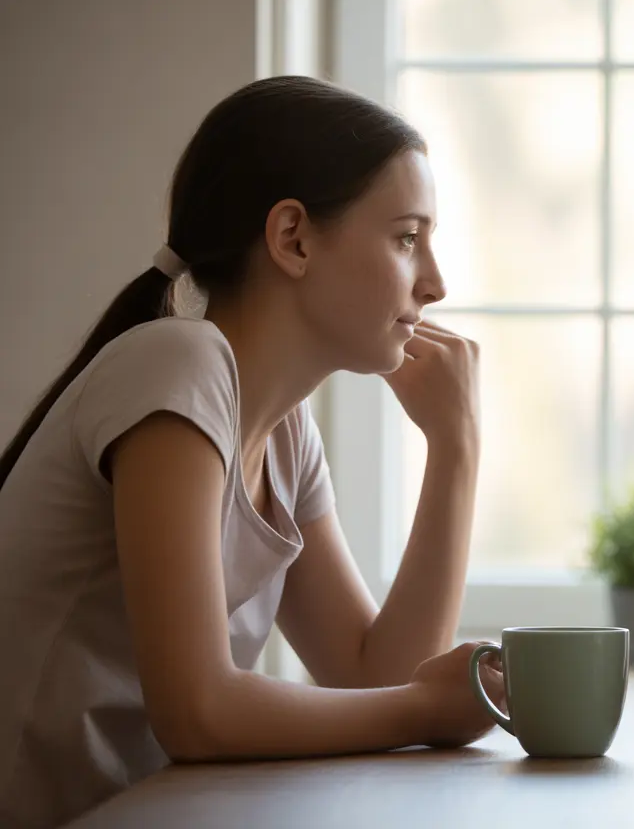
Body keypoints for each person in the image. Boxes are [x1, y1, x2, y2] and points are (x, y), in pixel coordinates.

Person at [0, 75, 505, 828]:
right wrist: (426, 708)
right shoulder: (178, 363)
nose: (434, 281)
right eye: (406, 238)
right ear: (292, 238)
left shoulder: (285, 431)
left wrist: (455, 449)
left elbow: (376, 675)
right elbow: (198, 712)